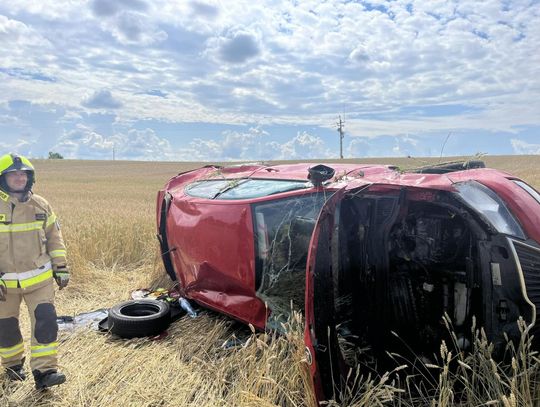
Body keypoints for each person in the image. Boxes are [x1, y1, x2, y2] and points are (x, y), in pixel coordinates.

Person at [0, 153, 69, 389]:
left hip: (39, 281)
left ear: (30, 177)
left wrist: (61, 268)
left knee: (46, 321)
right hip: (3, 286)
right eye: (13, 173)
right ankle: (12, 366)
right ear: (3, 177)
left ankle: (45, 372)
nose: (19, 177)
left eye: (24, 174)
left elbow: (55, 239)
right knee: (5, 327)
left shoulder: (41, 205)